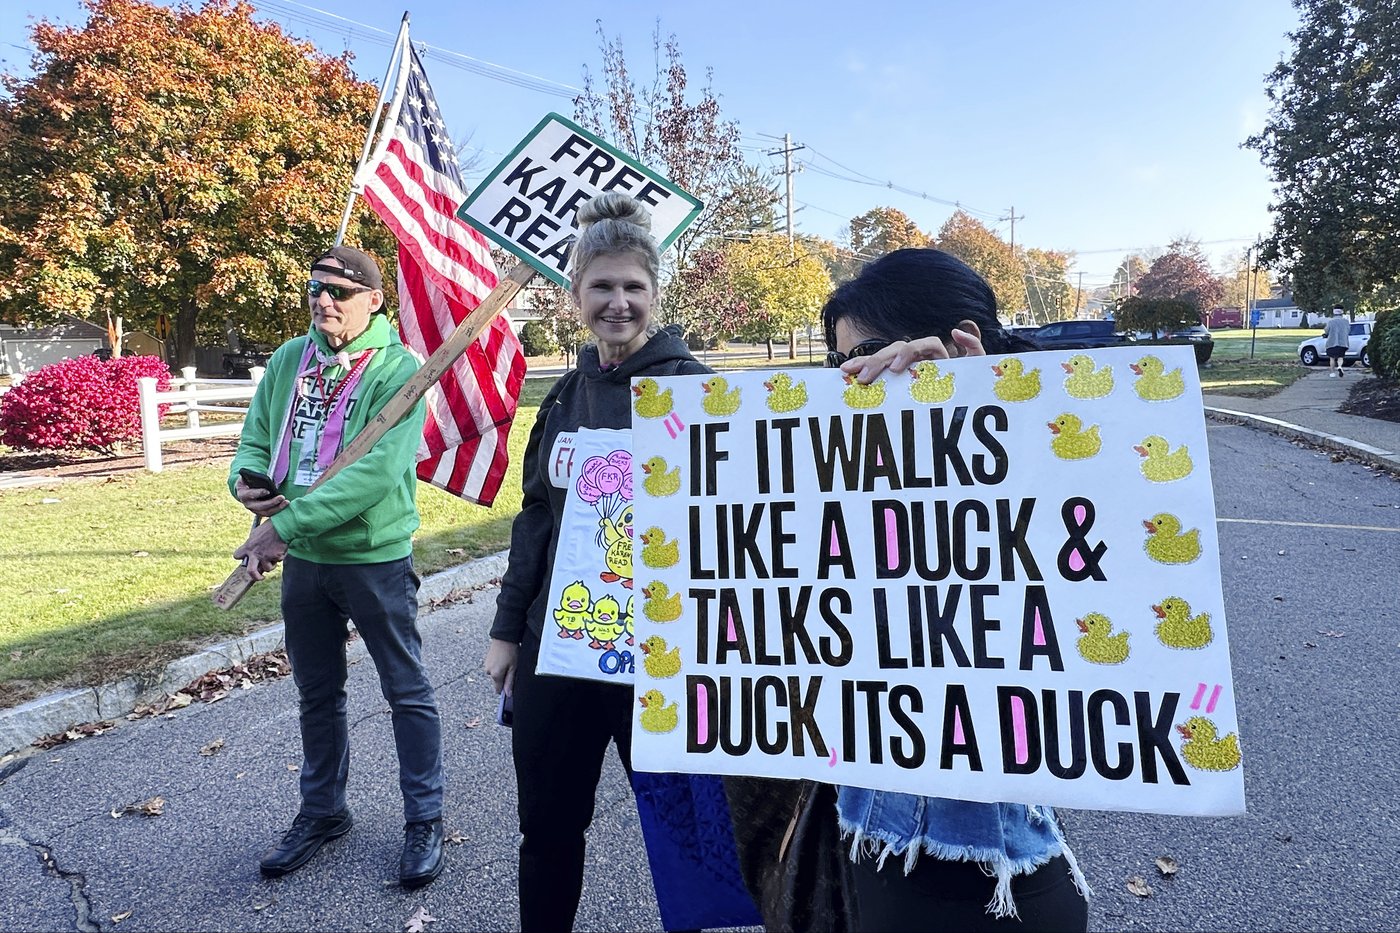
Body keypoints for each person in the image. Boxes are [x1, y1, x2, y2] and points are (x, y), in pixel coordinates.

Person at [727, 249, 1089, 933]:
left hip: (997, 865)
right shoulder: (839, 472)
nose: (851, 376)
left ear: (957, 340)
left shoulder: (1044, 459)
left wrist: (976, 411)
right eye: (839, 362)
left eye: (868, 353)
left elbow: (1065, 591)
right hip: (871, 843)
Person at [482, 193, 720, 932]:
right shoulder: (563, 397)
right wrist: (507, 630)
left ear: (655, 294)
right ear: (575, 294)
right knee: (548, 826)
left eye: (633, 286)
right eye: (602, 286)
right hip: (559, 647)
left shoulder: (700, 390)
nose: (618, 303)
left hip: (665, 653)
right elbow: (536, 518)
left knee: (689, 832)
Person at [228, 245, 446, 888]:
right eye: (315, 288)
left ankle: (424, 819)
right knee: (316, 693)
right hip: (304, 561)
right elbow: (256, 436)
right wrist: (247, 482)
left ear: (373, 300)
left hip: (372, 558)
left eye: (340, 291)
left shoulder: (399, 369)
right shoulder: (289, 360)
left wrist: (284, 528)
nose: (324, 300)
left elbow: (376, 475)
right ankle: (324, 810)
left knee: (406, 691)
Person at [1325, 306, 1350, 377]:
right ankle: (1339, 366)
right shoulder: (1346, 321)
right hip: (1343, 343)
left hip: (1332, 342)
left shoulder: (1330, 321)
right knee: (1340, 357)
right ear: (1342, 312)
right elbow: (1348, 330)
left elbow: (1326, 330)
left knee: (1332, 358)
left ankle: (1332, 373)